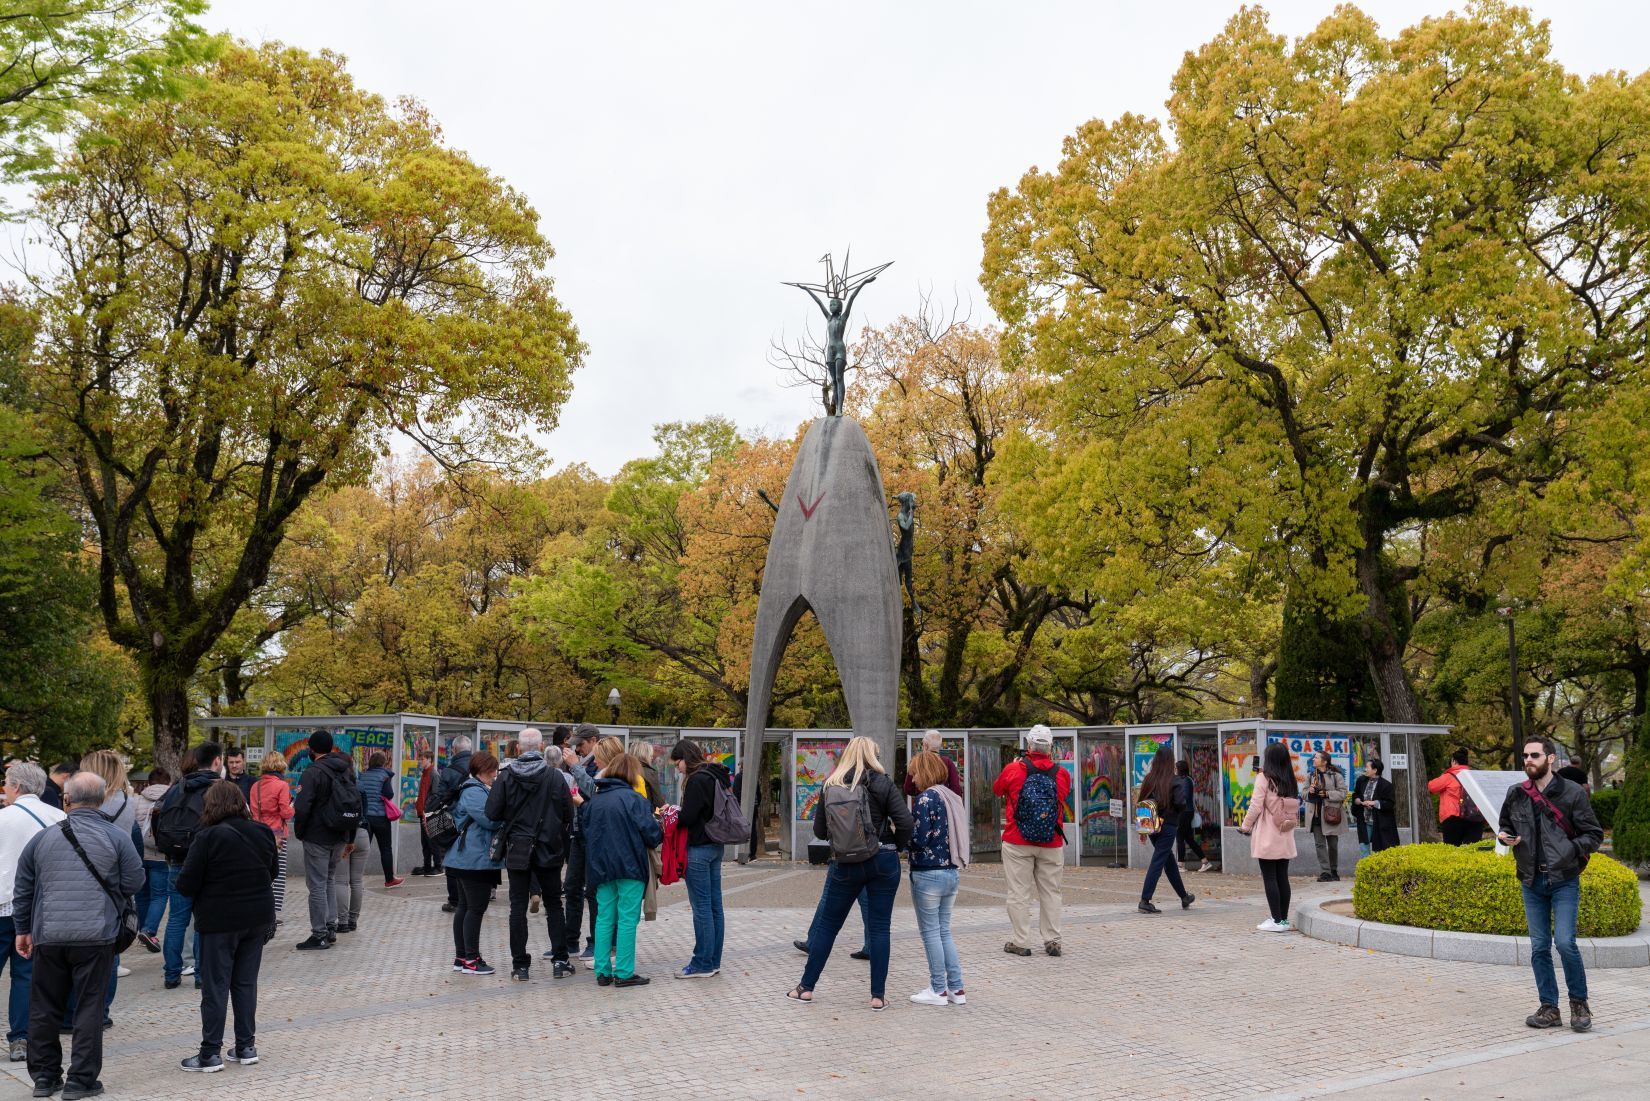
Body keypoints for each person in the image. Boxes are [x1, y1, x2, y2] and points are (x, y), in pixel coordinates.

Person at [14, 771, 143, 1101]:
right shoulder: (116, 837)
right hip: (95, 936)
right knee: (88, 1008)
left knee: (43, 1007)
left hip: (49, 935)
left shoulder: (43, 839)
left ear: (67, 799)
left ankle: (44, 1077)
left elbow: (24, 887)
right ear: (101, 800)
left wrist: (22, 930)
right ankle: (80, 1081)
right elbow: (134, 881)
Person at [787, 736, 912, 1010]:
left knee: (828, 926)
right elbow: (905, 821)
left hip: (845, 864)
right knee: (879, 928)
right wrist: (894, 846)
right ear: (873, 755)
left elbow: (819, 831)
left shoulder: (831, 784)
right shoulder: (883, 782)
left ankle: (805, 988)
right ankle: (877, 996)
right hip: (883, 861)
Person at [1498, 736, 1603, 1033]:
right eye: (1525, 756)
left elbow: (1594, 835)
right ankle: (1549, 1008)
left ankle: (1579, 1004)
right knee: (1539, 947)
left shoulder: (1572, 793)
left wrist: (1569, 850)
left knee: (1566, 943)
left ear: (1551, 758)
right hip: (1531, 880)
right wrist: (1505, 836)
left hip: (1564, 879)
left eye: (1534, 755)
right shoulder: (1516, 793)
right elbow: (1505, 825)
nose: (1528, 760)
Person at [175, 781, 277, 1072]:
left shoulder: (207, 836)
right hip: (257, 917)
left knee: (216, 986)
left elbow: (186, 883)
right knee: (245, 983)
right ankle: (246, 1046)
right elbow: (271, 871)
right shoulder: (262, 831)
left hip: (219, 921)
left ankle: (210, 1053)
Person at [483, 728, 574, 982]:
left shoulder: (505, 777)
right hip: (549, 848)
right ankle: (560, 960)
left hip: (518, 849)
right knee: (555, 904)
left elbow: (491, 812)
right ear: (541, 746)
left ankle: (520, 966)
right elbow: (569, 814)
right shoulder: (555, 777)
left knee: (517, 907)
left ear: (519, 748)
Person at [0, 763, 66, 1064]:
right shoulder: (60, 818)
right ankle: (21, 1039)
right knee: (25, 975)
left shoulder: (3, 818)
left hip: (3, 905)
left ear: (15, 786)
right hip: (43, 909)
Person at [582, 752, 663, 988]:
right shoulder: (635, 800)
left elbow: (587, 833)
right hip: (630, 867)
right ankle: (625, 973)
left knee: (604, 918)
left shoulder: (594, 800)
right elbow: (652, 835)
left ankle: (602, 971)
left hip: (601, 868)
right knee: (627, 919)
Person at [992, 725, 1072, 957]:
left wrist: (1018, 765)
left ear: (1028, 746)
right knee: (1051, 892)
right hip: (1051, 840)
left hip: (1017, 840)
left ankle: (1021, 940)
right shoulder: (1061, 773)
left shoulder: (1013, 769)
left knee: (1019, 892)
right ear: (1050, 748)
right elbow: (1062, 797)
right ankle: (1052, 940)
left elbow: (998, 790)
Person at [906, 750, 968, 1007]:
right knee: (944, 931)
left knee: (930, 932)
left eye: (915, 773)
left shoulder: (925, 799)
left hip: (927, 872)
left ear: (925, 771)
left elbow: (920, 838)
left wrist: (902, 836)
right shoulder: (950, 797)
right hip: (950, 871)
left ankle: (938, 989)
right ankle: (956, 988)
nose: (913, 778)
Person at [157, 743, 222, 987]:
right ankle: (201, 975)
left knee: (176, 919)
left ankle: (171, 974)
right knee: (203, 920)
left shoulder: (176, 788)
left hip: (175, 860)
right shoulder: (219, 788)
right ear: (217, 761)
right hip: (206, 863)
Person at [77, 751, 134, 1027]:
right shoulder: (126, 801)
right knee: (111, 950)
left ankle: (89, 1011)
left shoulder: (95, 804)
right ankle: (102, 1012)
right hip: (115, 884)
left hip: (90, 881)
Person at [291, 731, 358, 950]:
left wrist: (301, 832)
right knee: (329, 879)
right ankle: (331, 926)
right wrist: (349, 836)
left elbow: (301, 807)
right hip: (338, 834)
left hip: (317, 836)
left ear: (311, 749)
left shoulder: (312, 772)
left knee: (317, 885)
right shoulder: (344, 770)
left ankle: (319, 933)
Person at [671, 739, 732, 979]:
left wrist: (673, 812)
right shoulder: (716, 775)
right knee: (715, 906)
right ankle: (713, 960)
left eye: (678, 762)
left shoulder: (697, 780)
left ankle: (702, 963)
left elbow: (687, 817)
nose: (678, 767)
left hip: (698, 848)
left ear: (686, 758)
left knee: (702, 908)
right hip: (716, 846)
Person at [445, 753, 503, 976]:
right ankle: (471, 959)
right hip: (472, 860)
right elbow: (489, 819)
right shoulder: (473, 791)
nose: (495, 775)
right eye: (493, 770)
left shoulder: (473, 789)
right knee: (475, 909)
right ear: (484, 770)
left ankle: (462, 958)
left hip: (465, 858)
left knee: (465, 908)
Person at [1241, 742, 1300, 932]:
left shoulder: (1263, 778)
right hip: (1285, 832)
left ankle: (1275, 920)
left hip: (1268, 833)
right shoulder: (1290, 779)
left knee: (1269, 877)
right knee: (1282, 876)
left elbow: (1256, 806)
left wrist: (1245, 826)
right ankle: (1283, 919)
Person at [1135, 746, 1196, 914]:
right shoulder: (1175, 780)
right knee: (1159, 860)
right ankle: (1145, 900)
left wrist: (1142, 830)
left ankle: (1184, 896)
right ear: (1170, 761)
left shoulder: (1148, 779)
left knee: (1168, 860)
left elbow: (1141, 803)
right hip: (1168, 825)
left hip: (1152, 826)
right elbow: (1181, 803)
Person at [562, 725, 601, 960]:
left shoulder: (601, 765)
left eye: (582, 744)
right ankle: (570, 941)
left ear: (594, 741)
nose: (577, 748)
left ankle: (595, 942)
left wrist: (575, 766)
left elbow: (595, 792)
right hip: (578, 832)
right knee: (572, 887)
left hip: (592, 834)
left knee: (593, 892)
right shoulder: (584, 763)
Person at [247, 753, 294, 922]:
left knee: (261, 872)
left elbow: (253, 811)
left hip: (257, 832)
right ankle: (271, 913)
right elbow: (285, 813)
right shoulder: (282, 785)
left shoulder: (255, 786)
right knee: (277, 873)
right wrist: (293, 806)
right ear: (281, 766)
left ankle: (256, 909)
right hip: (277, 833)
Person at [432, 737, 473, 914]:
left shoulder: (448, 772)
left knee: (451, 859)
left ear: (454, 750)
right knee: (472, 858)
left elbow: (440, 797)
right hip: (473, 821)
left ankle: (454, 900)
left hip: (452, 822)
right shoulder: (478, 767)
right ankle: (473, 898)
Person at [133, 768, 172, 953]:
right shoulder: (171, 799)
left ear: (149, 783)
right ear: (167, 782)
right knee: (160, 895)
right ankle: (149, 930)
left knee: (141, 895)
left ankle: (142, 930)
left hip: (139, 855)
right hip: (160, 855)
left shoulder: (136, 800)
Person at [357, 752, 403, 888]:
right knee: (385, 848)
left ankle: (356, 879)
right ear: (383, 763)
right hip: (381, 817)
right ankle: (389, 879)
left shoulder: (363, 776)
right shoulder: (384, 776)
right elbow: (389, 794)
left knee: (363, 849)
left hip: (366, 818)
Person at [1428, 748, 1485, 847]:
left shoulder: (1448, 776)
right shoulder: (1474, 776)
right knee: (1473, 851)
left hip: (1453, 818)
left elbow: (1431, 787)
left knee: (1452, 850)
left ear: (1454, 761)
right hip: (1475, 818)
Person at [1306, 750, 1349, 881]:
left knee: (1333, 844)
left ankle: (1333, 870)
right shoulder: (1310, 776)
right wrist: (1310, 791)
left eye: (1316, 758)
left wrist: (1327, 794)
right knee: (1320, 844)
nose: (1313, 759)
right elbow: (1303, 793)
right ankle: (1325, 872)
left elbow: (1343, 793)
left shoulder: (1336, 775)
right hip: (1315, 815)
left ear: (1324, 761)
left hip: (1331, 814)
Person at [1172, 760, 1213, 873]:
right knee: (1189, 839)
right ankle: (1205, 862)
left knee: (1180, 837)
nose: (1174, 770)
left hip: (1184, 812)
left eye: (1176, 768)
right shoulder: (1186, 779)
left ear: (1180, 769)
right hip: (1187, 812)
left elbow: (1183, 796)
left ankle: (1181, 864)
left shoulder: (1185, 780)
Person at [901, 730, 963, 799]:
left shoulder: (916, 761)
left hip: (923, 803)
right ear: (940, 745)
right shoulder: (948, 762)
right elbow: (956, 789)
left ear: (926, 745)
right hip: (943, 805)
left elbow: (908, 788)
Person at [1355, 759, 1400, 852]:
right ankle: (1365, 866)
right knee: (1364, 846)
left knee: (1379, 848)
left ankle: (1376, 866)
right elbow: (1356, 794)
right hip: (1364, 820)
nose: (1365, 769)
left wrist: (1374, 803)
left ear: (1375, 770)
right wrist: (1357, 800)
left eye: (1367, 767)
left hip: (1379, 822)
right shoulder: (1361, 781)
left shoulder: (1386, 785)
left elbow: (1390, 803)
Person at [411, 750, 440, 876]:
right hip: (423, 811)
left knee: (431, 840)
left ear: (429, 760)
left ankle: (438, 866)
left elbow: (436, 794)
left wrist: (426, 806)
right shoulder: (425, 773)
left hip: (429, 812)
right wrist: (418, 803)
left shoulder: (434, 774)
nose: (420, 761)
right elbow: (424, 793)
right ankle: (427, 866)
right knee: (425, 842)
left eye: (422, 759)